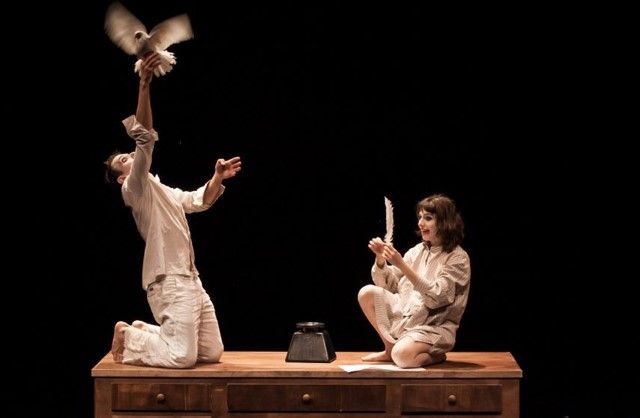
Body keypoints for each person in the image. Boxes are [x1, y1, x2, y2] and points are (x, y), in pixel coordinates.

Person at [104, 52, 242, 368]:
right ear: (123, 177)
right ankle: (130, 339)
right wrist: (144, 84)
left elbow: (198, 200)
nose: (129, 157)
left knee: (211, 352)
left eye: (126, 155)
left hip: (190, 278)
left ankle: (146, 332)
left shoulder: (164, 191)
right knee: (182, 357)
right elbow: (144, 140)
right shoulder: (134, 189)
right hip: (168, 281)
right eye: (123, 160)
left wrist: (217, 178)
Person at [358, 194, 470, 368]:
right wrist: (380, 259)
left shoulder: (458, 258)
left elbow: (438, 297)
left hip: (433, 326)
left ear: (444, 222)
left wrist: (401, 264)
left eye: (428, 218)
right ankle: (389, 348)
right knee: (366, 292)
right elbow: (390, 285)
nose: (420, 223)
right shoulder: (417, 251)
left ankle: (436, 355)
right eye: (420, 217)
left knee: (402, 356)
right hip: (407, 317)